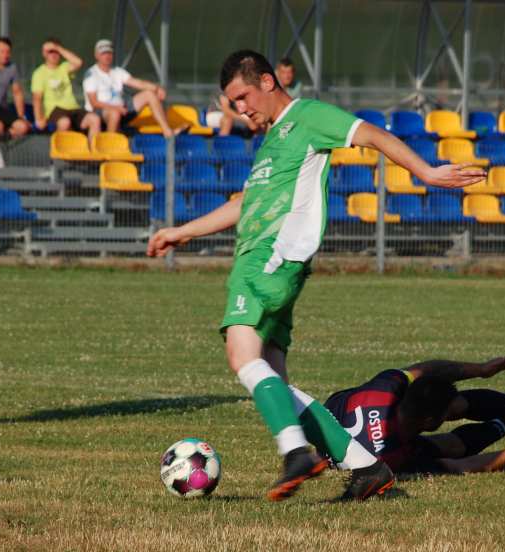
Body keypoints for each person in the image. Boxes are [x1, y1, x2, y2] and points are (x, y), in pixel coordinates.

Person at [146, 50, 486, 502]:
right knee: (275, 382)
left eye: (243, 96)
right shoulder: (272, 141)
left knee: (240, 355)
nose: (240, 108)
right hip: (278, 265)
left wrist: (426, 172)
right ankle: (367, 468)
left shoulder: (306, 115)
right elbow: (245, 204)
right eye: (232, 101)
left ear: (267, 82)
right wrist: (182, 232)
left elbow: (370, 134)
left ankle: (296, 453)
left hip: (267, 258)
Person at [294, 356, 505, 474]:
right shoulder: (392, 456)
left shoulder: (386, 387)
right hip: (369, 445)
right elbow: (460, 465)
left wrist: (482, 369)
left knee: (453, 403)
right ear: (430, 423)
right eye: (446, 415)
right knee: (452, 446)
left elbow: (428, 370)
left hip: (341, 412)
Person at [83, 39, 183, 137]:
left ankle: (167, 131)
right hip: (101, 112)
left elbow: (138, 83)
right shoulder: (92, 74)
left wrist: (156, 88)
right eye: (103, 53)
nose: (107, 56)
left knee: (149, 94)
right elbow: (94, 103)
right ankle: (110, 144)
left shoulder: (117, 71)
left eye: (109, 53)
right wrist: (116, 108)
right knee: (114, 113)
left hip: (122, 109)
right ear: (96, 55)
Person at [30, 37, 100, 143]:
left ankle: (93, 154)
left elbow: (78, 62)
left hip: (73, 109)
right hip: (55, 111)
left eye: (56, 52)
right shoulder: (39, 73)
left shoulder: (64, 67)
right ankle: (60, 150)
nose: (53, 54)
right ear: (44, 54)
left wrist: (58, 48)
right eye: (50, 52)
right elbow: (37, 98)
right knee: (64, 122)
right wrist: (39, 118)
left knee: (95, 119)